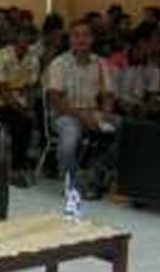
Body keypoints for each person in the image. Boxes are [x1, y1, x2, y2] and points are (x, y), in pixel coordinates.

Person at [47, 20, 120, 197]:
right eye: (76, 35)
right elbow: (56, 99)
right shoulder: (59, 63)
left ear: (92, 39)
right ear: (70, 39)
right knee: (69, 141)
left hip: (93, 112)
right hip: (66, 114)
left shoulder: (101, 63)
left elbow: (108, 95)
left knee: (127, 128)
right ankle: (70, 184)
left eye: (86, 35)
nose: (81, 39)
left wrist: (104, 114)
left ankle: (97, 171)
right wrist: (83, 117)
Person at [0, 26, 40, 186]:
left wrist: (29, 108)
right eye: (23, 35)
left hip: (19, 101)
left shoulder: (33, 58)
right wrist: (24, 112)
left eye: (29, 36)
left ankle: (23, 161)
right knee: (20, 121)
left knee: (33, 118)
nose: (26, 39)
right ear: (16, 37)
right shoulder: (0, 56)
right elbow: (3, 92)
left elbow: (30, 88)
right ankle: (15, 169)